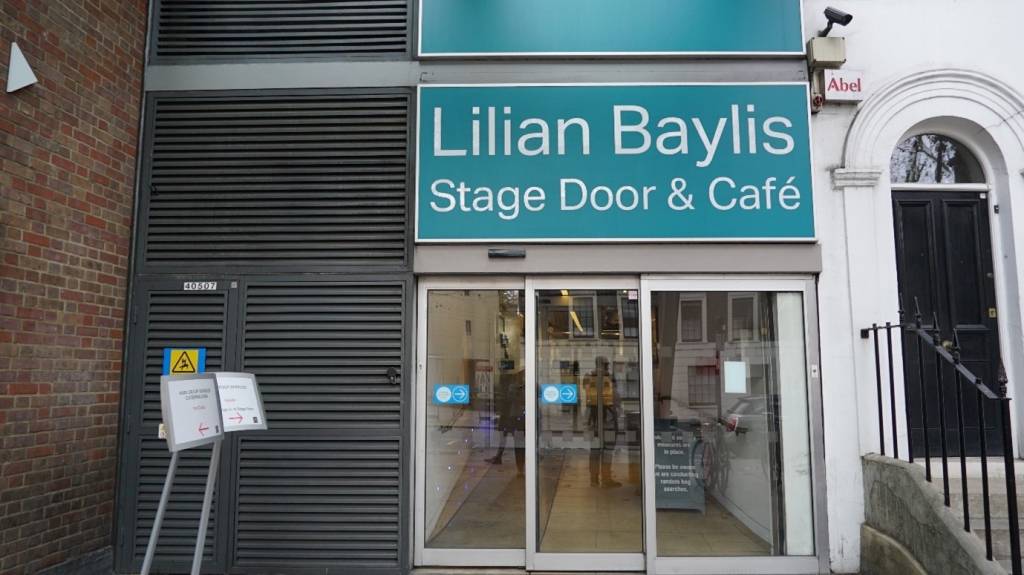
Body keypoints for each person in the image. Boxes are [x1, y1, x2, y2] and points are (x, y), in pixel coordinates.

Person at [583, 356, 620, 487]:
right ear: (605, 365)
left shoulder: (590, 380)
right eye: (607, 365)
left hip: (594, 423)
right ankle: (606, 479)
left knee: (594, 451)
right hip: (609, 423)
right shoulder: (609, 380)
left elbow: (587, 402)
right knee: (607, 451)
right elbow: (617, 402)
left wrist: (587, 424)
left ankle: (593, 479)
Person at [487, 367, 525, 475]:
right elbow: (509, 399)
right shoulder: (512, 386)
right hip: (512, 416)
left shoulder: (517, 386)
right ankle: (519, 466)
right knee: (514, 439)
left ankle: (520, 465)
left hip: (516, 416)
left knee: (518, 441)